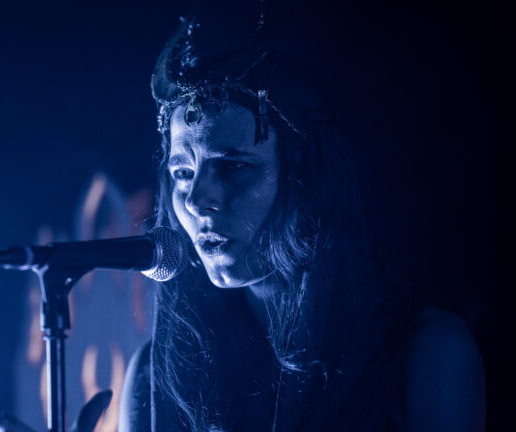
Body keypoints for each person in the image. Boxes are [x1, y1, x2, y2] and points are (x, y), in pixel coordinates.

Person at [118, 3, 486, 431]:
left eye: (233, 166)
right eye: (183, 173)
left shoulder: (426, 354)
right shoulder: (154, 375)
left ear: (307, 177)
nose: (197, 201)